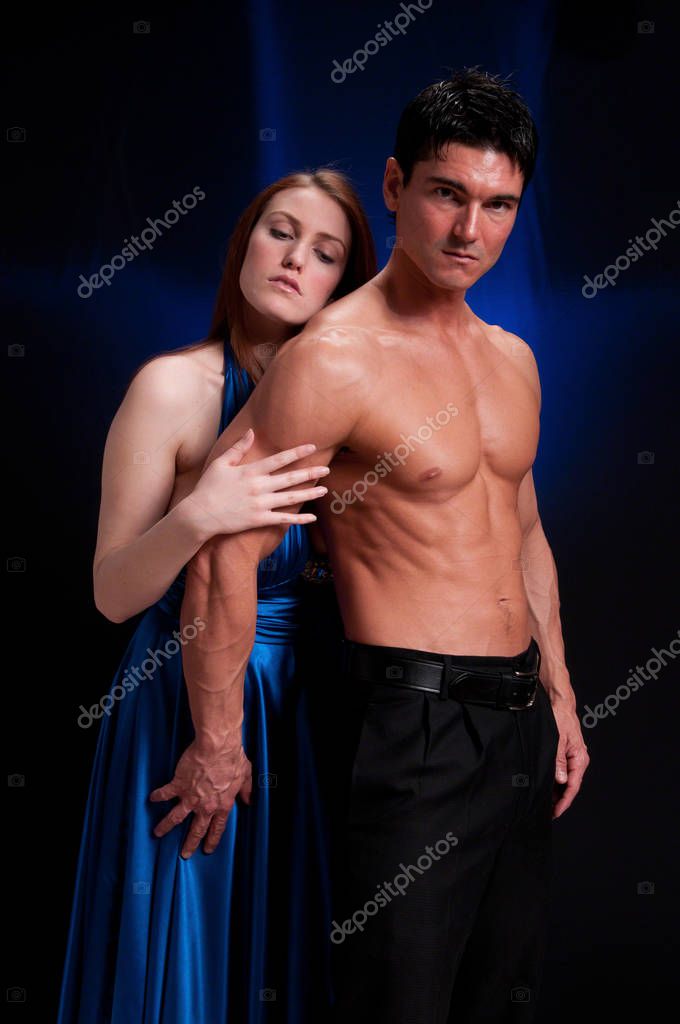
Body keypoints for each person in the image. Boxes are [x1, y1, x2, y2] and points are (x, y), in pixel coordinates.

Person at [163, 69, 591, 1023]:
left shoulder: (513, 359)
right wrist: (218, 743)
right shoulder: (334, 359)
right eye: (446, 193)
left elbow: (524, 529)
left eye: (498, 205)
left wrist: (560, 695)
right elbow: (226, 551)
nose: (469, 229)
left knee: (500, 1000)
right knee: (398, 1004)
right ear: (396, 186)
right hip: (412, 726)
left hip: (518, 724)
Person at [56, 168, 377, 1024]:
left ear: (342, 284)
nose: (295, 259)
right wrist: (199, 515)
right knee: (181, 939)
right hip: (177, 695)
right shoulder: (170, 387)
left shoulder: (346, 408)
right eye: (281, 232)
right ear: (244, 243)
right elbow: (111, 593)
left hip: (297, 704)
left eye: (325, 253)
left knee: (280, 946)